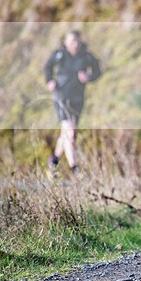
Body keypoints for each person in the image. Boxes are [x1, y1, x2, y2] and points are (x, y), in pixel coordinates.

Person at [43, 30, 101, 178]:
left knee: (66, 133)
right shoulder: (59, 55)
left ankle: (54, 161)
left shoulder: (86, 56)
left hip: (78, 97)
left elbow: (97, 71)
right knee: (70, 131)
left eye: (76, 41)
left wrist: (89, 77)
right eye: (70, 42)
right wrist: (50, 81)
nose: (73, 44)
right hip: (61, 96)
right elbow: (47, 68)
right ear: (65, 42)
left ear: (80, 42)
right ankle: (75, 168)